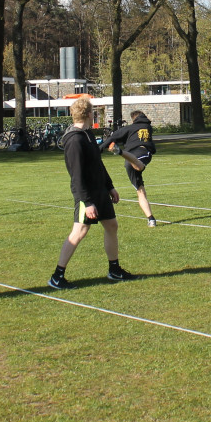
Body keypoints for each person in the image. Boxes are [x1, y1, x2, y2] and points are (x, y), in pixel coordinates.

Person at [49, 95, 137, 290]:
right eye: (93, 112)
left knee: (111, 225)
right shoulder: (74, 140)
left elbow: (98, 164)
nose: (94, 115)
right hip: (87, 195)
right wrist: (87, 202)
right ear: (88, 114)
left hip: (100, 192)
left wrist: (109, 186)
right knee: (79, 231)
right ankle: (57, 276)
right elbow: (76, 175)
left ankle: (114, 270)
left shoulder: (87, 135)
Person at [99, 110, 159, 227]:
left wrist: (99, 148)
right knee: (139, 166)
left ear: (133, 119)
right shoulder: (148, 127)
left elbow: (115, 136)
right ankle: (120, 152)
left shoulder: (130, 128)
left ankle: (151, 219)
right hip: (142, 153)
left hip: (129, 161)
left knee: (140, 191)